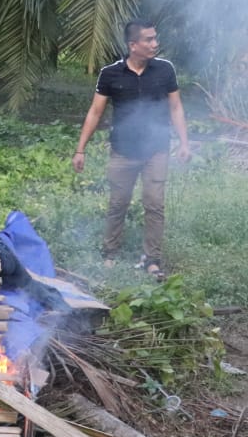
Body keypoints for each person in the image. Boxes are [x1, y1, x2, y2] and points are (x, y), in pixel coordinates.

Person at [72, 20, 191, 279]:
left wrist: (184, 142)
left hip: (156, 149)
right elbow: (95, 112)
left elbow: (176, 108)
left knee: (155, 205)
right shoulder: (110, 73)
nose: (155, 44)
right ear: (133, 45)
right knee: (118, 203)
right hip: (123, 150)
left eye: (155, 38)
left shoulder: (165, 69)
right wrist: (80, 149)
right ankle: (110, 253)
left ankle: (152, 259)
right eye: (149, 40)